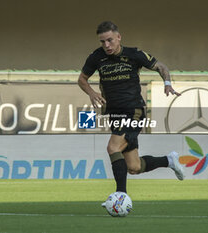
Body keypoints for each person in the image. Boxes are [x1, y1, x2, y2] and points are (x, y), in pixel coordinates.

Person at [78, 21, 185, 195]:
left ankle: (120, 196)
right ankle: (169, 161)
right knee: (134, 167)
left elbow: (161, 66)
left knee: (113, 148)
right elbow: (82, 79)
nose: (106, 45)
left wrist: (167, 83)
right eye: (102, 41)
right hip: (115, 114)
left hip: (134, 111)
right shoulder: (96, 57)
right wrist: (90, 92)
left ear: (119, 37)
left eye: (110, 40)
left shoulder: (134, 54)